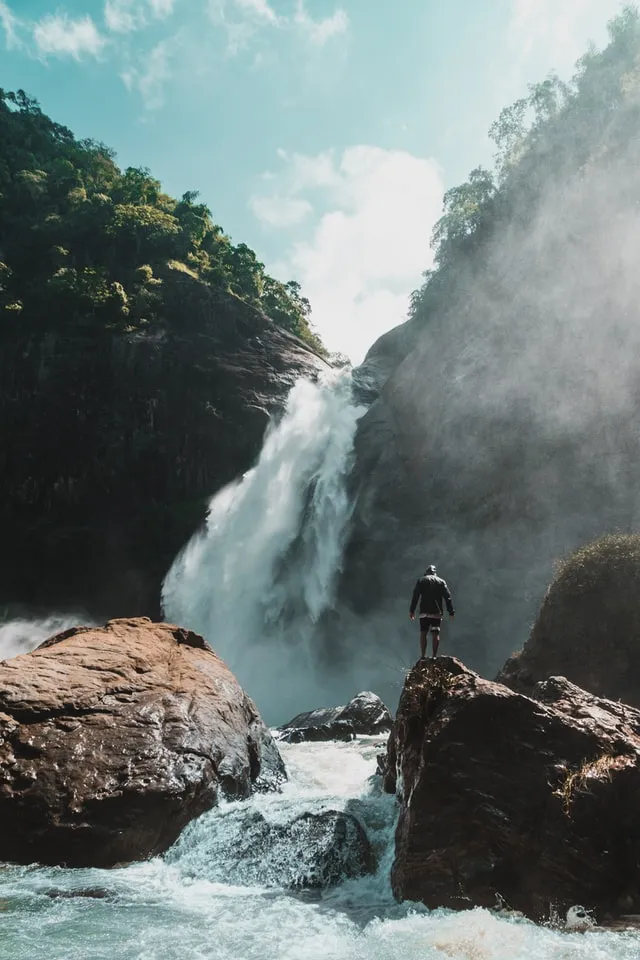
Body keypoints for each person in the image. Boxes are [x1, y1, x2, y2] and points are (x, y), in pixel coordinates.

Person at [409, 565, 455, 659]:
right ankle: (434, 656)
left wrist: (412, 610)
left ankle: (423, 656)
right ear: (435, 573)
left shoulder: (421, 580)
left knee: (423, 633)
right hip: (436, 612)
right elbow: (448, 597)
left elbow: (416, 596)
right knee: (435, 633)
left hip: (424, 612)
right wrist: (451, 611)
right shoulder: (441, 581)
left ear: (426, 573)